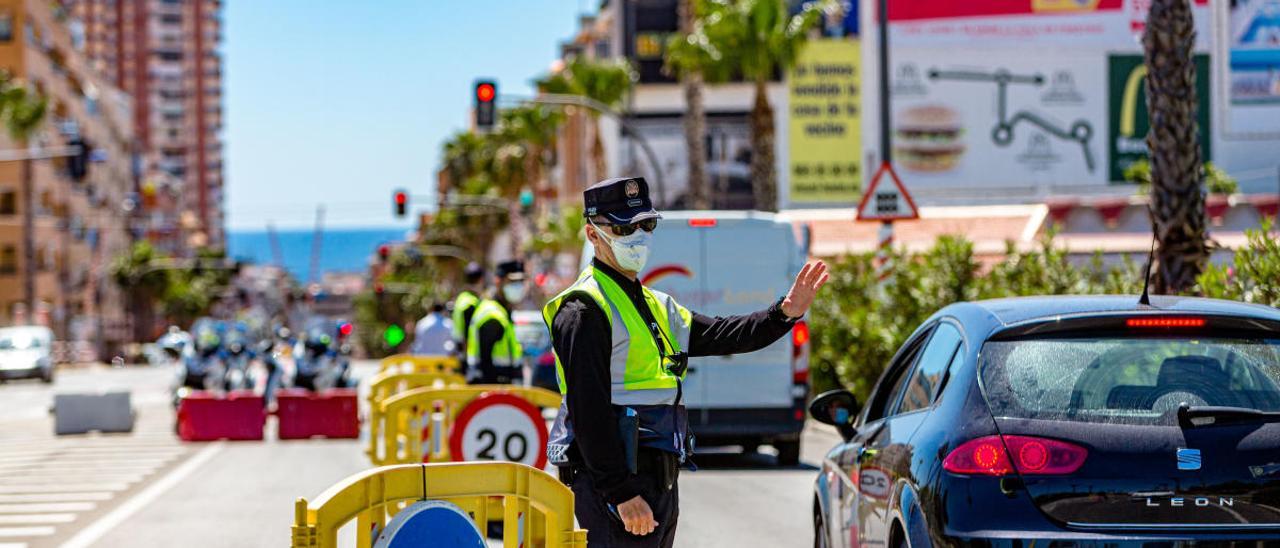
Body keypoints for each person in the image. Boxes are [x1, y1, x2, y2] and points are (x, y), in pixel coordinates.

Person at [542, 176, 828, 547]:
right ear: (593, 234)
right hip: (615, 488)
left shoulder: (652, 304)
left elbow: (722, 334)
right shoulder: (583, 309)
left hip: (654, 478)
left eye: (646, 224)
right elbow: (587, 410)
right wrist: (620, 492)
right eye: (625, 227)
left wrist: (784, 314)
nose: (638, 236)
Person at [466, 260, 527, 384]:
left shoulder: (502, 311)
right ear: (498, 281)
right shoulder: (492, 314)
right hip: (493, 391)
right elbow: (485, 365)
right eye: (513, 281)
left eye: (521, 281)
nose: (518, 286)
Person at [451, 262, 486, 355]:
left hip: (459, 350)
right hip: (468, 353)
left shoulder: (461, 298)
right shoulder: (471, 303)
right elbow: (468, 333)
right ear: (481, 280)